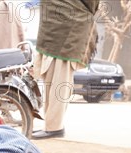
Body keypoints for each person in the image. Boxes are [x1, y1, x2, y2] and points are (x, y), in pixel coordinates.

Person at [31, 0, 99, 139]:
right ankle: (50, 125)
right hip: (51, 32)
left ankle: (55, 127)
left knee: (60, 81)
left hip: (69, 30)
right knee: (50, 81)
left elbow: (92, 4)